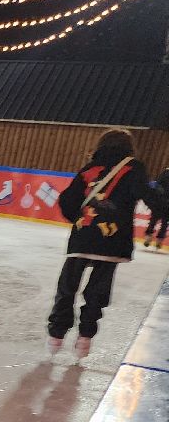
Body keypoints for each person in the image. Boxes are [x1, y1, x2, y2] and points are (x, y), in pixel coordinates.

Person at [47, 129, 161, 358]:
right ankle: (85, 338)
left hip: (83, 235)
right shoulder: (134, 167)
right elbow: (149, 196)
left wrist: (78, 220)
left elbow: (67, 199)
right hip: (112, 240)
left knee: (68, 285)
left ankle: (56, 334)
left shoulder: (90, 168)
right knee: (98, 288)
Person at [147, 167, 169, 251]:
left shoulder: (165, 172)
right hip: (160, 201)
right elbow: (158, 184)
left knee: (164, 222)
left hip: (165, 203)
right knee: (154, 220)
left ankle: (159, 240)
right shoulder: (165, 173)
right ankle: (149, 236)